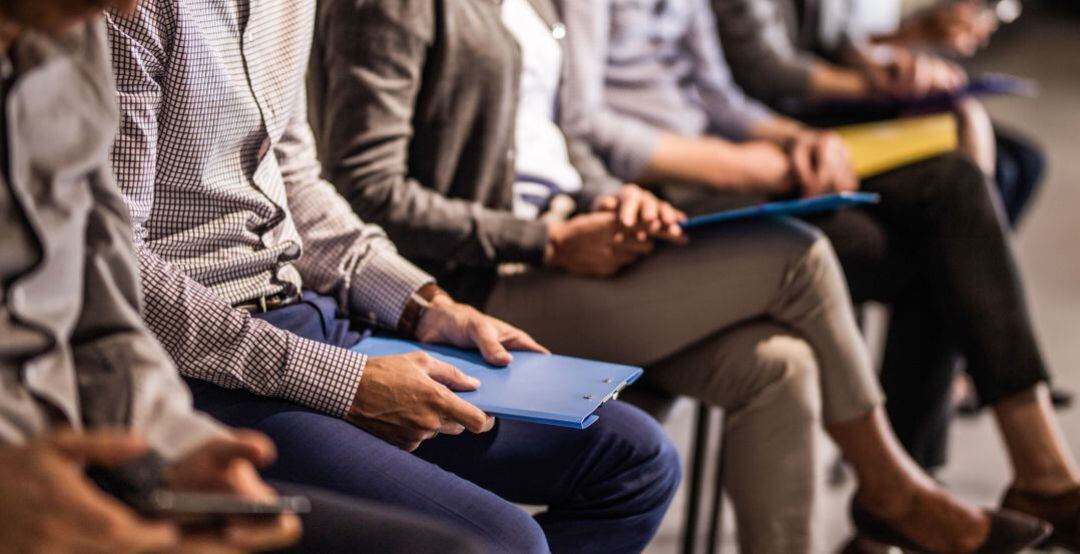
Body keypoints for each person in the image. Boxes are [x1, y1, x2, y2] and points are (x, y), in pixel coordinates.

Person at [310, 0, 1051, 552]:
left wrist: (613, 199)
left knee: (779, 365)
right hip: (487, 278)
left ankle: (894, 492)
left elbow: (563, 137)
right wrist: (549, 240)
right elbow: (366, 188)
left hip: (573, 233)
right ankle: (891, 485)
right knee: (798, 254)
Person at [104, 0, 681, 551]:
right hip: (201, 368)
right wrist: (343, 382)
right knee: (507, 543)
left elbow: (297, 180)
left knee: (637, 461)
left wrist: (423, 302)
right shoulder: (125, 12)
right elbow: (117, 267)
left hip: (308, 317)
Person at [556, 0, 1080, 550]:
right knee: (937, 247)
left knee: (954, 189)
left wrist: (795, 138)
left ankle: (1006, 476)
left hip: (729, 156)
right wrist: (749, 163)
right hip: (663, 190)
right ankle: (923, 503)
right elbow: (587, 120)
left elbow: (717, 94)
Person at [0, 1, 483, 553]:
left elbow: (103, 313)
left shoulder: (68, 37)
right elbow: (130, 274)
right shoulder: (105, 22)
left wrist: (181, 450)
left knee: (599, 450)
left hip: (257, 341)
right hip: (195, 363)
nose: (128, 6)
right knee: (491, 542)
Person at [710, 0, 1044, 227]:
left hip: (823, 95)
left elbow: (838, 37)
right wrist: (874, 85)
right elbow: (766, 67)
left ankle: (946, 317)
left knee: (1024, 161)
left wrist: (893, 63)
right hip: (784, 109)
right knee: (964, 174)